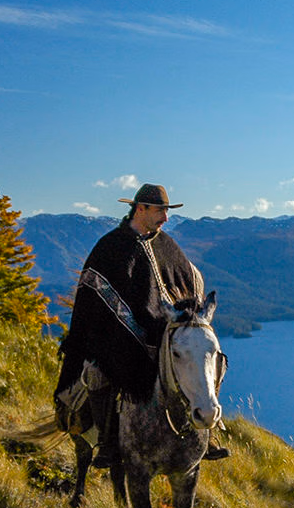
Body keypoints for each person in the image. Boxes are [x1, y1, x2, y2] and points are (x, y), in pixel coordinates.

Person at [54, 182, 226, 466]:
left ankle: (208, 431)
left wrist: (182, 317)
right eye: (160, 211)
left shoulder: (165, 244)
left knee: (209, 360)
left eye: (167, 211)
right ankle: (107, 443)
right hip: (117, 338)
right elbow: (93, 295)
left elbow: (188, 280)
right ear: (140, 209)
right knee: (97, 373)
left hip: (167, 334)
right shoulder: (111, 246)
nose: (166, 218)